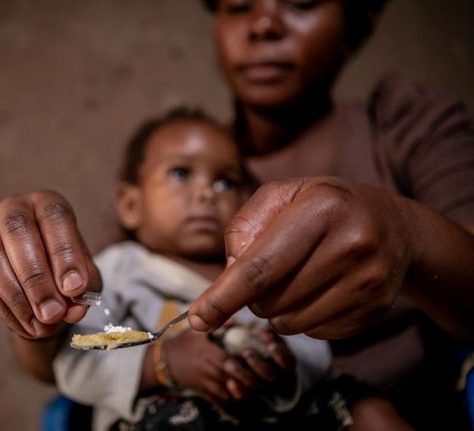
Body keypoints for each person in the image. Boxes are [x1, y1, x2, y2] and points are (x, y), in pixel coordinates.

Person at [0, 0, 474, 427]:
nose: (264, 24)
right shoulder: (132, 255)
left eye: (301, 1)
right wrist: (43, 302)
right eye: (238, 5)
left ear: (354, 24)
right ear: (131, 203)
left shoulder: (401, 126)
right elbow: (84, 344)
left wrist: (406, 236)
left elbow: (308, 354)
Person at [52, 106, 409, 430]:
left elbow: (312, 346)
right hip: (170, 411)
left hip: (274, 406)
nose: (207, 193)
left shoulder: (261, 264)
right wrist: (162, 363)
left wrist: (281, 363)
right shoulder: (118, 270)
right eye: (180, 173)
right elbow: (76, 360)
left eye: (225, 182)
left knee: (362, 404)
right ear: (131, 204)